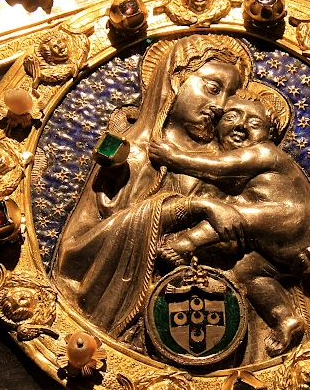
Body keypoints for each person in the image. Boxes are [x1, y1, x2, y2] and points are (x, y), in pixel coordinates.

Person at [53, 35, 252, 345]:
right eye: (213, 88)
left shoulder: (230, 161)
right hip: (138, 317)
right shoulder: (128, 155)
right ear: (175, 80)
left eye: (230, 97)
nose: (221, 106)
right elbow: (78, 253)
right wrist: (194, 207)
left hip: (218, 307)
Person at [149, 86, 310, 354]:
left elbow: (219, 167)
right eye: (231, 117)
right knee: (247, 272)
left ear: (270, 134)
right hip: (279, 244)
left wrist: (173, 157)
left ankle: (185, 244)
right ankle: (285, 319)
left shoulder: (263, 152)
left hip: (294, 217)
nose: (241, 126)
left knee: (233, 215)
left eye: (254, 123)